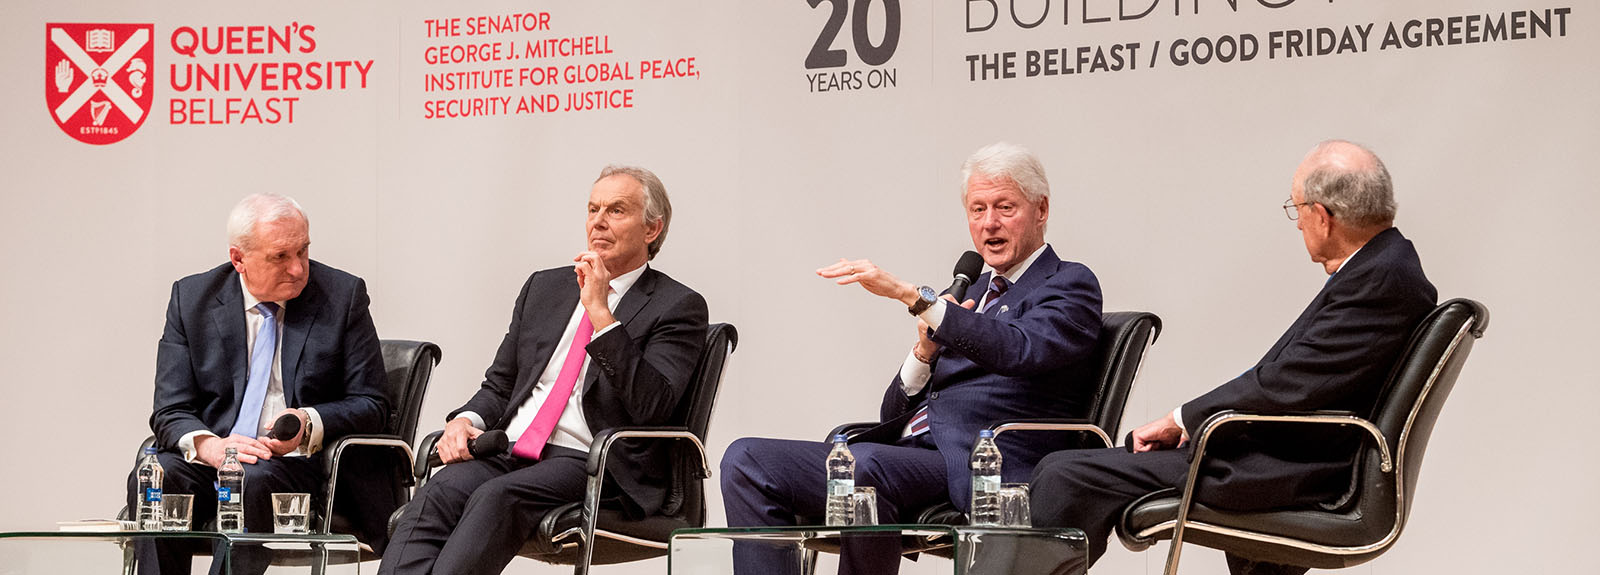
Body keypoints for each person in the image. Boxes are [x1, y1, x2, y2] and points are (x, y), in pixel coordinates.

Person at [1029, 140, 1439, 574]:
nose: (1298, 222)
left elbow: (1287, 384)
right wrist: (1191, 424)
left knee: (1062, 474)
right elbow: (1299, 379)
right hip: (1286, 453)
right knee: (1070, 467)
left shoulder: (1379, 281)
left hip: (1287, 468)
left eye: (1296, 208)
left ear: (1322, 216)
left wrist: (1182, 420)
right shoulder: (1384, 267)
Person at [720, 142, 1105, 574]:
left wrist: (914, 298)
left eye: (1005, 207)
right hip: (909, 455)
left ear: (1041, 209)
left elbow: (1019, 348)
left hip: (982, 463)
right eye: (977, 209)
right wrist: (924, 352)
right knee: (746, 460)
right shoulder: (972, 292)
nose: (989, 223)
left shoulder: (1068, 283)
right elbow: (892, 414)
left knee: (867, 468)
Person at [380, 166, 709, 575]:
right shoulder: (544, 288)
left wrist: (601, 315)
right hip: (511, 447)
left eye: (616, 210)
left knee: (497, 497)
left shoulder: (677, 306)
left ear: (652, 229)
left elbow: (652, 406)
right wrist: (466, 420)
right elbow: (501, 384)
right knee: (440, 490)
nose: (598, 221)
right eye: (593, 209)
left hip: (591, 461)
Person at [128, 193, 390, 575]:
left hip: (298, 466)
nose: (298, 268)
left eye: (303, 251)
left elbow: (372, 404)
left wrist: (307, 423)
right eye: (280, 256)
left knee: (249, 479)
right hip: (217, 457)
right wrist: (211, 448)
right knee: (158, 476)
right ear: (239, 259)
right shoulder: (192, 299)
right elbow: (170, 409)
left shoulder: (342, 296)